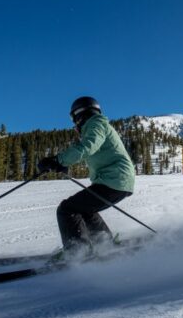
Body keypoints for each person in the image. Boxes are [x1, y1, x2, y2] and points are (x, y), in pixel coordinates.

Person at [38, 96, 135, 256]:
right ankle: (105, 244)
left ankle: (78, 253)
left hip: (114, 181)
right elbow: (95, 151)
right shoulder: (100, 125)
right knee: (85, 209)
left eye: (73, 118)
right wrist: (63, 164)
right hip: (118, 181)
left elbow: (89, 146)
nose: (74, 122)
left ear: (80, 114)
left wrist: (58, 160)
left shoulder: (96, 124)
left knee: (67, 209)